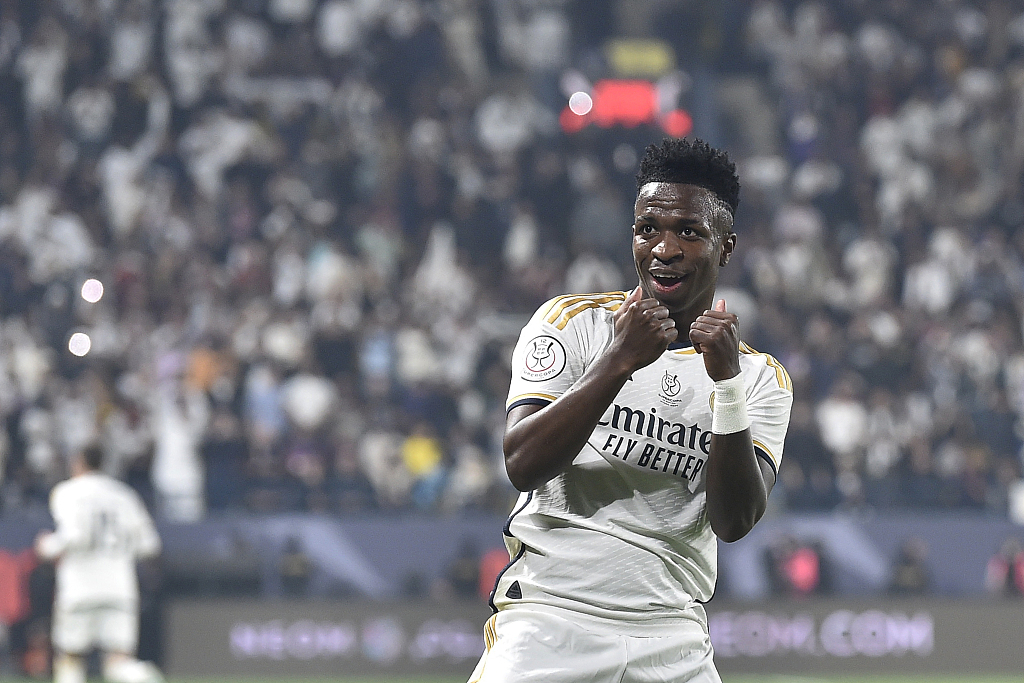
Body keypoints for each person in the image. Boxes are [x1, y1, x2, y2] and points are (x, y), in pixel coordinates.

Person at [468, 137, 793, 683]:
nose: (664, 249)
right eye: (648, 229)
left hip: (674, 638)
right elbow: (521, 462)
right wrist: (617, 362)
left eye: (689, 232)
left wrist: (726, 388)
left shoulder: (758, 377)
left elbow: (734, 522)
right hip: (551, 621)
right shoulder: (572, 324)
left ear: (727, 246)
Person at [34, 446, 164, 683]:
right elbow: (149, 545)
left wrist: (47, 546)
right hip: (119, 587)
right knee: (119, 663)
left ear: (79, 461)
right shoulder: (124, 495)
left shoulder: (68, 491)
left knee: (70, 659)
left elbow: (75, 535)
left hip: (79, 587)